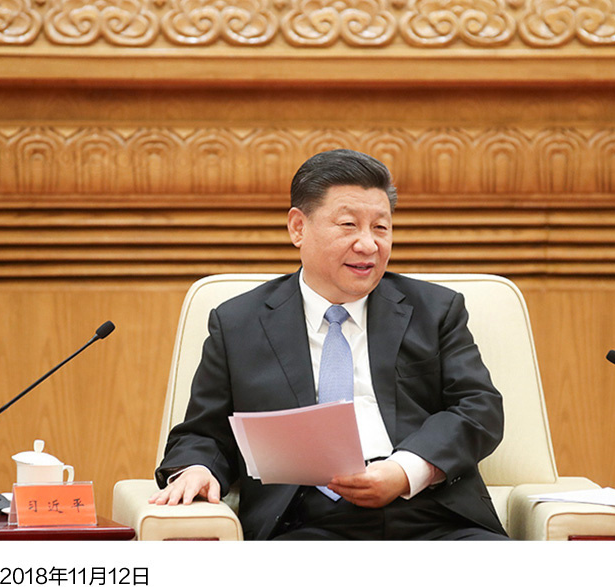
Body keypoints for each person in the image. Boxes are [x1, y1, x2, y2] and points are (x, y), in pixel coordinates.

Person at [149, 149, 508, 540]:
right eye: (349, 225)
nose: (368, 244)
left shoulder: (435, 310)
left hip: (435, 517)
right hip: (305, 524)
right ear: (298, 228)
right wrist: (198, 469)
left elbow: (479, 408)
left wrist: (405, 470)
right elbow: (204, 433)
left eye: (381, 228)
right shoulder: (239, 323)